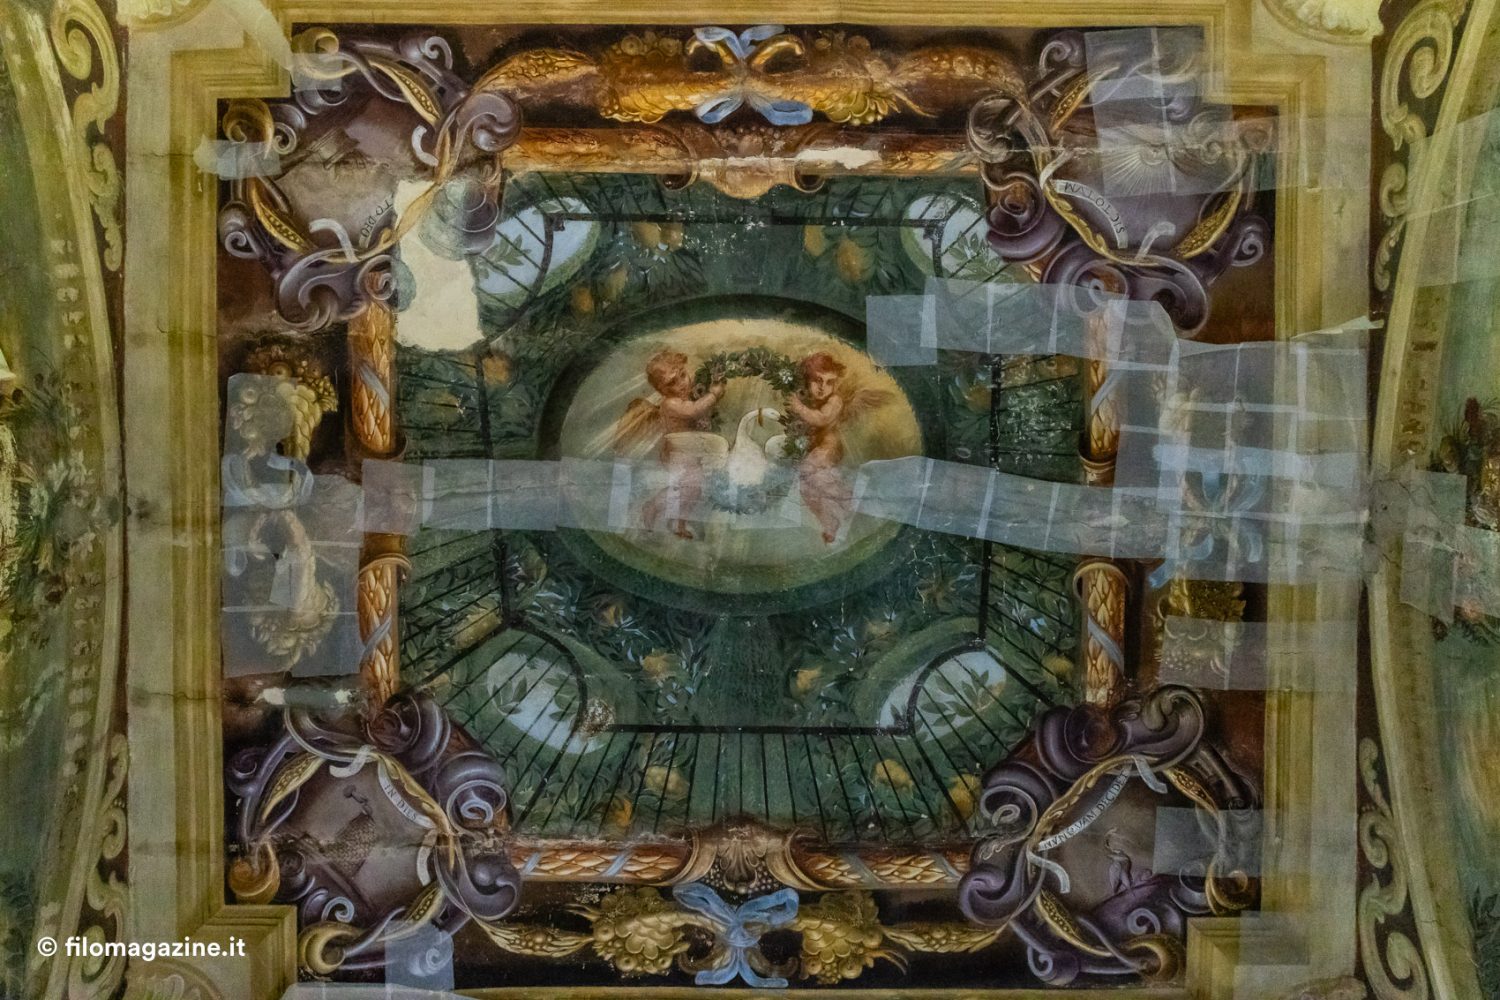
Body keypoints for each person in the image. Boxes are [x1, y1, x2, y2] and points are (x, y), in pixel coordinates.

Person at [615, 350, 727, 539]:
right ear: (661, 389)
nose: (682, 383)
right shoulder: (670, 404)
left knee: (693, 491)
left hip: (690, 452)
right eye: (671, 383)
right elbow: (693, 411)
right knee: (684, 489)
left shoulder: (683, 397)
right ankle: (652, 507)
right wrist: (714, 395)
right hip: (678, 455)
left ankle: (679, 523)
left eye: (682, 375)